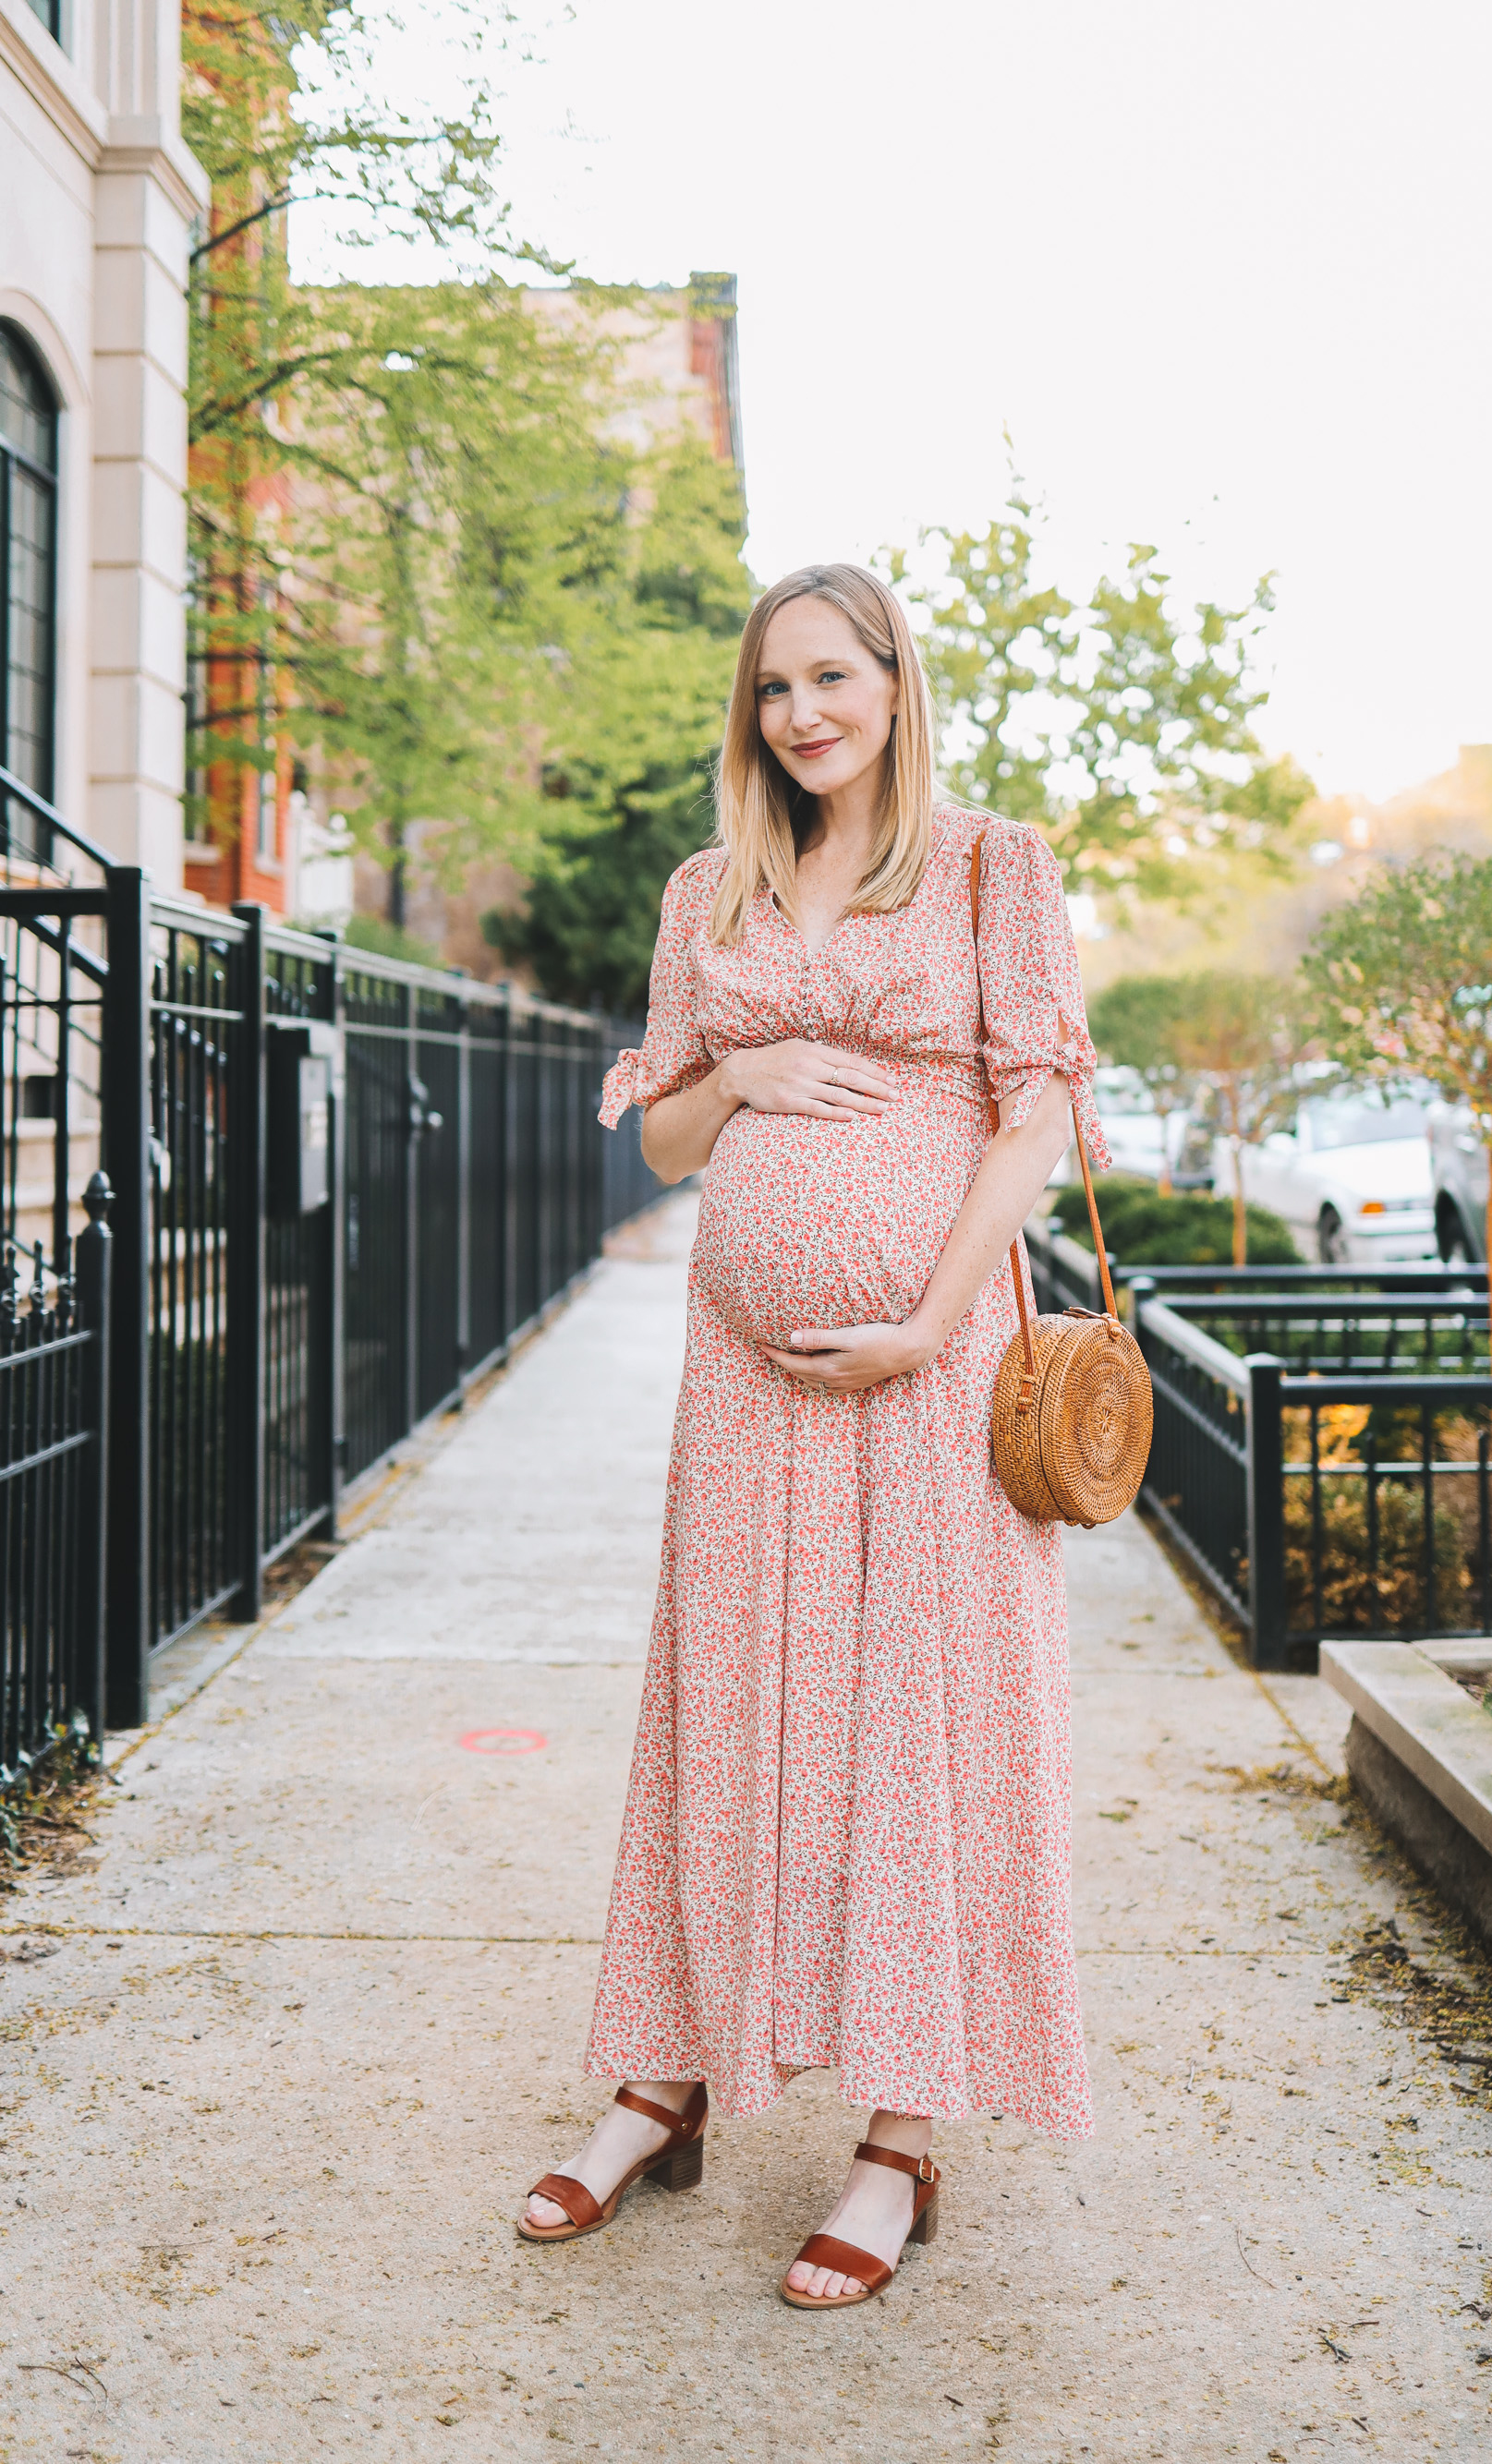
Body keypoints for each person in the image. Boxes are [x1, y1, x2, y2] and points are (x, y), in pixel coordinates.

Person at [518, 562, 1108, 2311]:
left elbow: (1036, 1108)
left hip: (930, 1370)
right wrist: (748, 1077)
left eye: (833, 678)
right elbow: (665, 1147)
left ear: (896, 686)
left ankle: (901, 2135)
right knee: (731, 1702)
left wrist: (931, 1317)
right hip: (743, 1377)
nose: (803, 715)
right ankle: (662, 2078)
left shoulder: (993, 865)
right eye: (775, 689)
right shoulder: (714, 887)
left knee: (918, 1716)